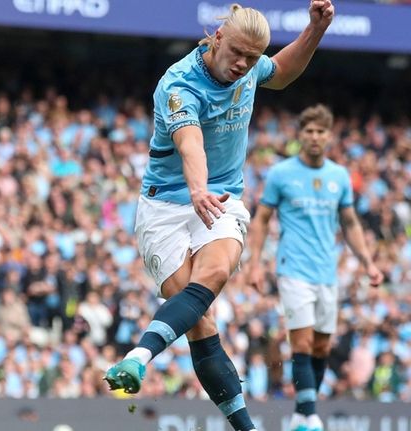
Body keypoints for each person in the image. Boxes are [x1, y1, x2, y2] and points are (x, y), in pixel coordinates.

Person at [103, 2, 335, 431]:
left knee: (215, 272)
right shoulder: (178, 84)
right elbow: (191, 144)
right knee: (199, 321)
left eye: (252, 58)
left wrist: (315, 30)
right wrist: (196, 189)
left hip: (221, 198)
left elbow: (281, 72)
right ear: (216, 39)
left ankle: (138, 357)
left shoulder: (248, 68)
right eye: (238, 54)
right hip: (165, 206)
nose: (243, 65)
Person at [246, 104, 383, 431]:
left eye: (321, 132)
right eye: (309, 131)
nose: (315, 137)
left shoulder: (338, 176)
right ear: (300, 135)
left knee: (321, 345)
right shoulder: (281, 173)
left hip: (327, 271)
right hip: (292, 268)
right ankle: (309, 415)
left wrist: (367, 262)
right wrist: (254, 264)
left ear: (329, 136)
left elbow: (349, 223)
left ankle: (301, 412)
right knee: (303, 342)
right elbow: (262, 219)